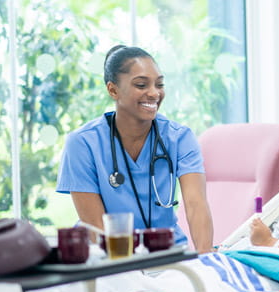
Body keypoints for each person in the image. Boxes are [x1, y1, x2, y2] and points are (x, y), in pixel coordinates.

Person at [56, 45, 214, 253]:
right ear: (113, 90)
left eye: (159, 84)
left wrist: (206, 257)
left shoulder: (179, 137)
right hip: (108, 256)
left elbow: (196, 203)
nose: (154, 93)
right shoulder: (83, 143)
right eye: (141, 85)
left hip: (165, 252)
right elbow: (95, 226)